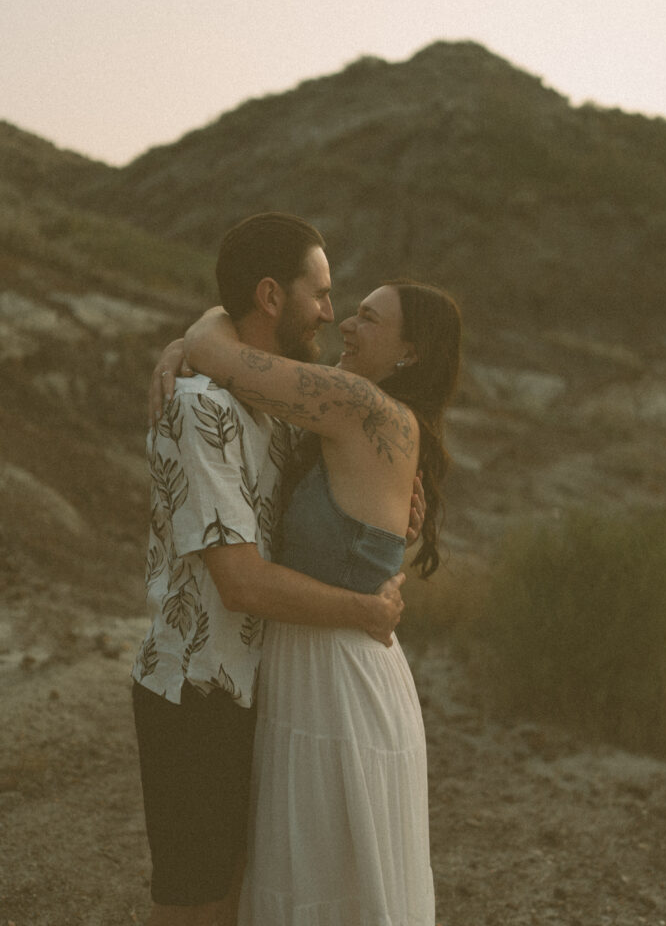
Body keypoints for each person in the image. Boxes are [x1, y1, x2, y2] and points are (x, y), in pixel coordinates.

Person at [133, 212, 422, 926]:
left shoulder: (274, 405)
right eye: (320, 294)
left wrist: (190, 334)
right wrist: (364, 611)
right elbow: (240, 582)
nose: (330, 312)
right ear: (269, 296)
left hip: (257, 688)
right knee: (197, 906)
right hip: (195, 692)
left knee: (243, 901)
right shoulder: (200, 407)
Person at [180, 275, 461, 925]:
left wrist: (196, 334)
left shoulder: (358, 403)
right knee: (321, 884)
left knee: (327, 886)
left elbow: (213, 349)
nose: (346, 326)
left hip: (337, 685)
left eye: (367, 318)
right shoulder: (368, 416)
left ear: (409, 353)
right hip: (326, 670)